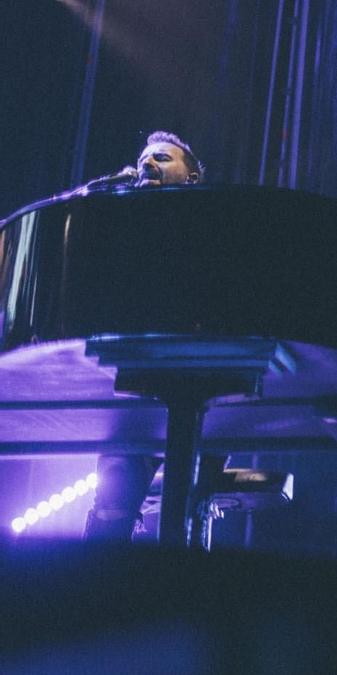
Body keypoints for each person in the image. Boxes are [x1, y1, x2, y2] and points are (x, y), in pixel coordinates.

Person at [83, 131, 206, 541]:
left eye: (161, 158)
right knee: (113, 492)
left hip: (207, 377)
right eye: (143, 160)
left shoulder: (216, 225)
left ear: (191, 178)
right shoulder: (120, 229)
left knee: (192, 496)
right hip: (136, 377)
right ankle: (96, 588)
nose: (147, 164)